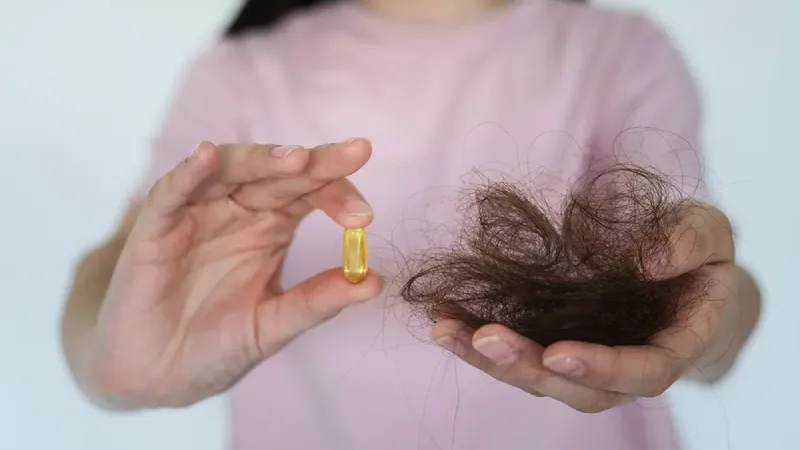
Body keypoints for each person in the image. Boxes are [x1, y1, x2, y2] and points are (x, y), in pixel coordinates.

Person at [60, 0, 762, 449]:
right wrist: (115, 357)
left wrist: (709, 315)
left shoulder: (619, 52)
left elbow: (693, 278)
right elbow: (117, 279)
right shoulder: (241, 72)